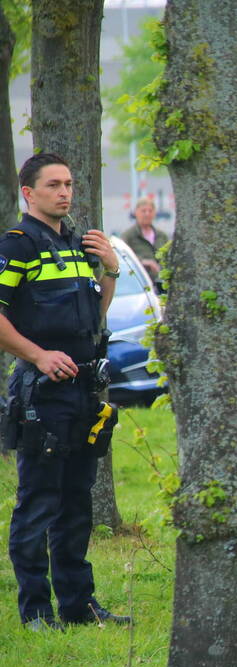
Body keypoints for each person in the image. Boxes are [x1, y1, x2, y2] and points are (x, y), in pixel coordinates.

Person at [1, 152, 128, 631]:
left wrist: (110, 270)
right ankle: (34, 611)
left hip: (83, 392)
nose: (65, 192)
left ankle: (79, 606)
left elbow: (94, 316)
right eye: (53, 185)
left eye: (69, 184)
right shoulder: (18, 245)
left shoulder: (79, 244)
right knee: (38, 503)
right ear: (29, 193)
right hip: (42, 395)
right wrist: (37, 356)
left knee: (77, 502)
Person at [119, 196, 169, 283]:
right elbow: (121, 257)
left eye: (150, 211)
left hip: (161, 283)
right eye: (143, 211)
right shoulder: (128, 236)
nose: (147, 214)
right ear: (136, 212)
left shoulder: (162, 236)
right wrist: (143, 262)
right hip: (139, 283)